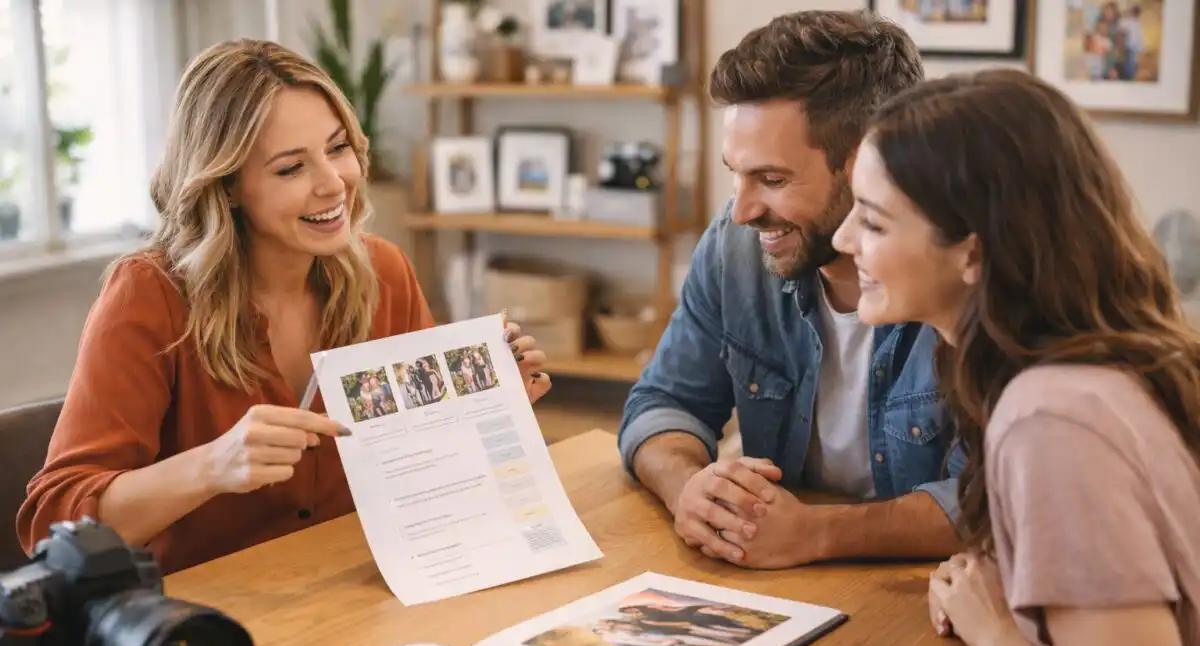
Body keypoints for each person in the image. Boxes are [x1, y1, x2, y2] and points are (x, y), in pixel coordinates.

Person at [15, 39, 552, 574]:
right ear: (225, 187)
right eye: (291, 168)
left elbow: (422, 466)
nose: (332, 184)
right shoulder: (148, 296)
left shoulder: (384, 272)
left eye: (338, 148)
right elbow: (53, 524)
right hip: (208, 626)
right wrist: (210, 467)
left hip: (361, 589)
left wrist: (488, 408)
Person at [832, 68, 1200, 646]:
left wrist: (994, 631)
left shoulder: (1052, 420)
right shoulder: (1084, 373)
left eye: (873, 221)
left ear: (972, 252)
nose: (844, 239)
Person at [618, 10, 962, 570]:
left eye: (773, 180)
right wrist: (688, 487)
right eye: (737, 173)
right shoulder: (736, 246)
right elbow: (663, 403)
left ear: (869, 167)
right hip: (782, 578)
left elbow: (994, 503)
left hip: (924, 591)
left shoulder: (962, 277)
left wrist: (817, 533)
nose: (744, 209)